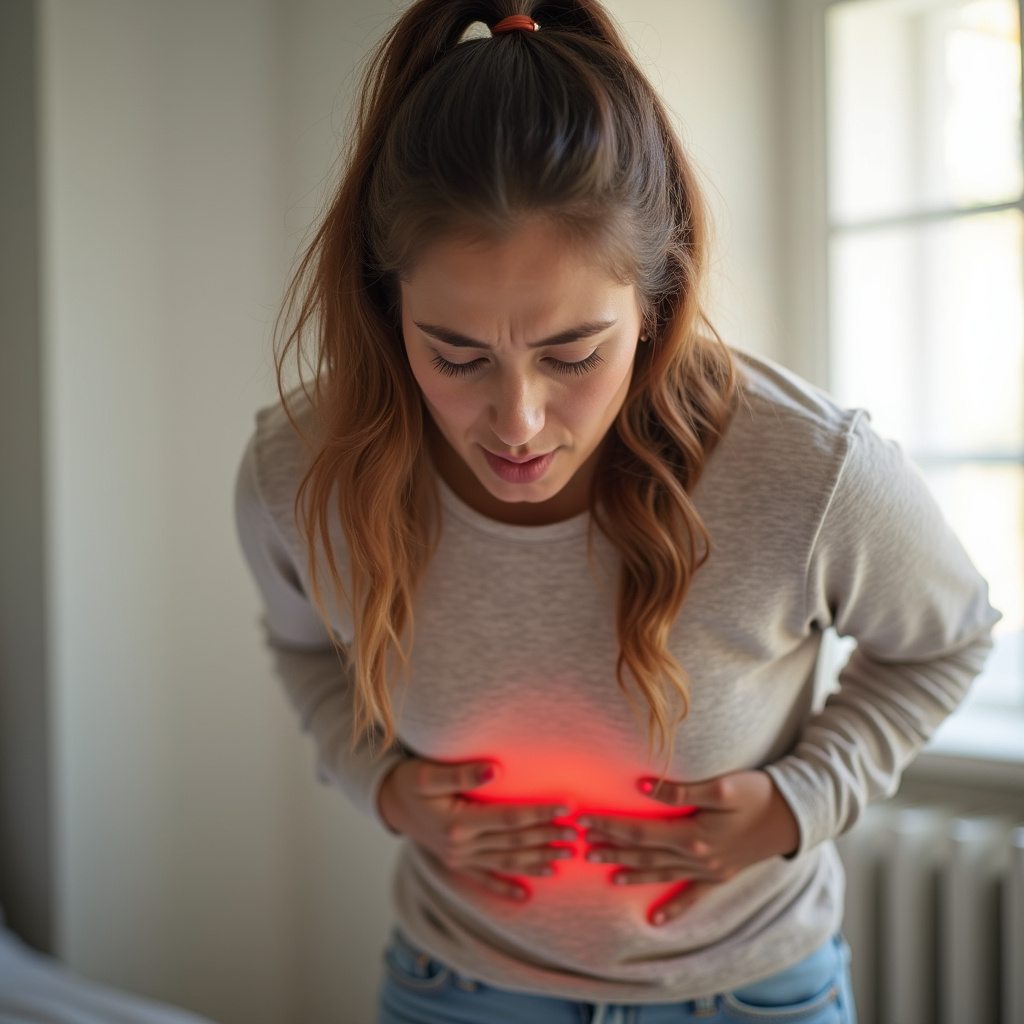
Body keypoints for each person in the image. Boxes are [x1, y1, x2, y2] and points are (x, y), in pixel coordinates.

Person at [234, 1, 999, 1021]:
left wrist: (797, 802)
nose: (517, 420)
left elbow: (946, 643)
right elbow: (305, 653)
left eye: (572, 353)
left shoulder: (812, 470)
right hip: (457, 989)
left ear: (653, 302)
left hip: (752, 993)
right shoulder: (298, 473)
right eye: (455, 355)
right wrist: (381, 783)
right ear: (385, 309)